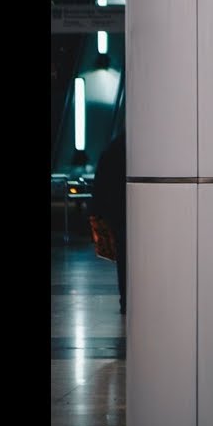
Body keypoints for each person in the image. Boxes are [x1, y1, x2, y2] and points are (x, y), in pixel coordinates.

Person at [92, 128, 127, 314]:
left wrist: (97, 211)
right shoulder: (132, 148)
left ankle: (126, 299)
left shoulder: (112, 148)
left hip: (115, 210)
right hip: (125, 209)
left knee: (123, 256)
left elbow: (100, 183)